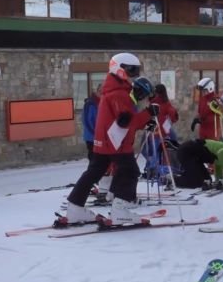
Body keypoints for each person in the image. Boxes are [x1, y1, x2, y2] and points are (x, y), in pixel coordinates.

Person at [64, 53, 155, 225]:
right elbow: (125, 121)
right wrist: (148, 113)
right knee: (130, 171)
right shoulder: (119, 93)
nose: (134, 75)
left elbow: (124, 119)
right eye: (132, 71)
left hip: (103, 142)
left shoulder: (112, 89)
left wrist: (143, 114)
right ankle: (120, 210)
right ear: (120, 70)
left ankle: (74, 207)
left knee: (95, 171)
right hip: (116, 143)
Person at [82, 83, 102, 161]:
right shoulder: (90, 104)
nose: (102, 93)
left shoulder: (102, 102)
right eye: (100, 91)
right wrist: (96, 134)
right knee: (94, 159)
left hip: (99, 137)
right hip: (92, 137)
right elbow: (87, 121)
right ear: (97, 91)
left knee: (99, 160)